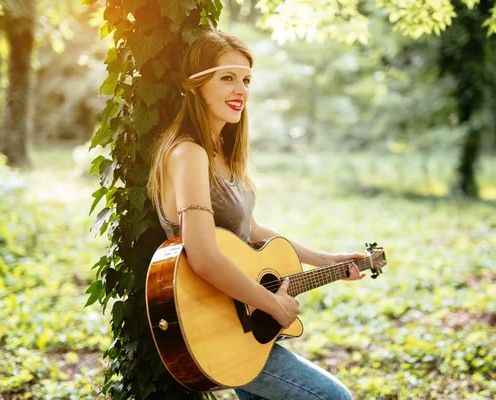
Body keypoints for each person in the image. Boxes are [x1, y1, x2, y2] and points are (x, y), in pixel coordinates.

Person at [147, 29, 366, 400]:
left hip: (243, 327)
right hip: (212, 326)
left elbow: (250, 230)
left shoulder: (222, 153)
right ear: (197, 85)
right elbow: (202, 255)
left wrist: (325, 259)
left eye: (246, 80)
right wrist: (274, 304)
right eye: (227, 78)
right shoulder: (188, 154)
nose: (241, 90)